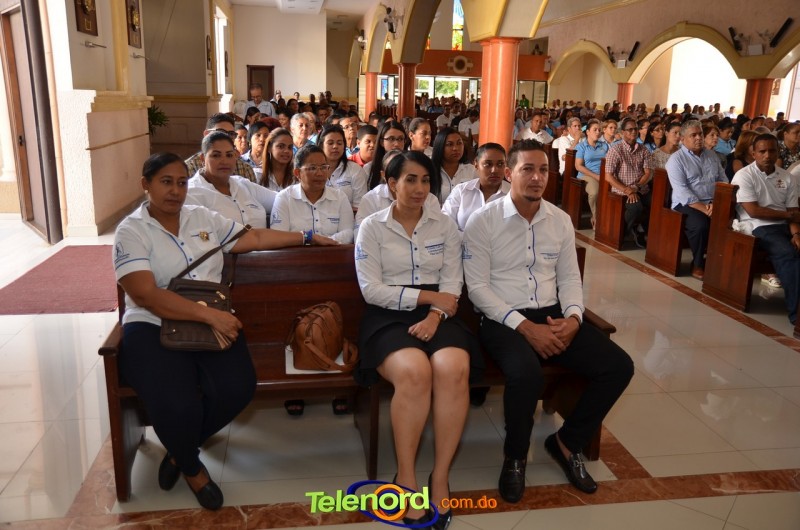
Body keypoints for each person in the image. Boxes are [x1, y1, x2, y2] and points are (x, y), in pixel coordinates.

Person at [113, 153, 336, 511]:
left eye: (181, 182)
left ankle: (179, 450)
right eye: (166, 182)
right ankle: (193, 470)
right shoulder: (131, 231)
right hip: (153, 324)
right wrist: (210, 317)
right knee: (178, 402)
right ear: (146, 185)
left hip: (210, 320)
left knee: (238, 388)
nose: (175, 191)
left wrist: (308, 236)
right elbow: (145, 294)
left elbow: (255, 236)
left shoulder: (202, 218)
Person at [462, 140, 633, 502]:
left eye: (543, 170)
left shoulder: (559, 220)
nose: (537, 178)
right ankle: (515, 456)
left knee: (618, 366)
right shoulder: (483, 221)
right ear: (509, 173)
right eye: (527, 169)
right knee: (526, 375)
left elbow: (569, 277)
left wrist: (574, 318)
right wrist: (525, 328)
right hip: (503, 318)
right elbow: (477, 288)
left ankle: (567, 442)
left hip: (553, 314)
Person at [354, 150, 481, 528]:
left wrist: (435, 314)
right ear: (391, 183)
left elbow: (452, 282)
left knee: (453, 367)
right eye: (410, 179)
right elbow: (371, 289)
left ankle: (440, 476)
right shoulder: (372, 227)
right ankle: (406, 478)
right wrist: (426, 298)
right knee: (414, 372)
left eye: (426, 180)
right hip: (387, 315)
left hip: (441, 313)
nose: (419, 188)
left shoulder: (444, 225)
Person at [731, 134, 800, 324]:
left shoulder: (787, 177)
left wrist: (796, 234)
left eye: (772, 151)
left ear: (778, 152)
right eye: (762, 151)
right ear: (753, 153)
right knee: (787, 254)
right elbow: (754, 211)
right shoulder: (744, 175)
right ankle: (796, 315)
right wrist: (788, 216)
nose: (767, 155)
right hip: (759, 226)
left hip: (785, 224)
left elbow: (793, 211)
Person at [665, 120, 728, 280]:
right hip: (686, 204)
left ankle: (722, 262)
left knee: (733, 221)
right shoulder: (676, 160)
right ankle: (698, 263)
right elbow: (682, 192)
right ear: (683, 139)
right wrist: (705, 209)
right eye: (693, 135)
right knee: (700, 225)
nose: (699, 138)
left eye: (700, 134)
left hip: (712, 202)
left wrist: (716, 203)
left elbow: (723, 180)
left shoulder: (712, 155)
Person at [185, 131, 276, 229]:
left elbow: (281, 199)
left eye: (229, 155)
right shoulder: (191, 193)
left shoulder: (242, 184)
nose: (224, 161)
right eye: (216, 155)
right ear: (203, 159)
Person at [271, 144, 354, 243]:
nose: (320, 173)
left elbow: (348, 232)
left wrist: (324, 242)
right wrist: (310, 239)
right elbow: (279, 236)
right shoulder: (284, 198)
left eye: (323, 167)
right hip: (296, 253)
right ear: (297, 173)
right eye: (312, 168)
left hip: (333, 251)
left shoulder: (339, 197)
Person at [604, 117, 653, 248]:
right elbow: (608, 177)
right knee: (636, 207)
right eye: (630, 129)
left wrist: (637, 187)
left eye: (635, 129)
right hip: (622, 190)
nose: (633, 132)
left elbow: (648, 173)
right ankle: (622, 233)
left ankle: (642, 230)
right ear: (623, 132)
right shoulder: (615, 150)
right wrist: (627, 190)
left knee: (658, 203)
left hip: (640, 188)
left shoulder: (643, 149)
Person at [442, 143, 510, 231]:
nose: (494, 170)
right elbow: (445, 225)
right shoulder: (461, 191)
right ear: (476, 164)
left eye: (500, 164)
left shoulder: (512, 194)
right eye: (488, 164)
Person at [185, 113, 257, 182]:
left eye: (231, 134)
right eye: (220, 132)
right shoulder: (188, 169)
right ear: (206, 134)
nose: (226, 138)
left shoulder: (245, 169)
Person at [318, 124, 368, 210]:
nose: (335, 146)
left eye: (339, 143)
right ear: (321, 145)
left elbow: (359, 207)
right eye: (330, 143)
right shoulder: (312, 171)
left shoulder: (355, 170)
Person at [574, 119, 609, 229]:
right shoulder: (581, 146)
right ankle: (595, 217)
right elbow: (578, 166)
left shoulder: (604, 146)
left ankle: (610, 218)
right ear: (588, 132)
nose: (598, 132)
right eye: (595, 130)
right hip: (587, 175)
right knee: (594, 192)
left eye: (599, 130)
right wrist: (596, 176)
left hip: (604, 174)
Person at [431, 127, 478, 204]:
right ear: (440, 147)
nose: (455, 148)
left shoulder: (472, 171)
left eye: (459, 143)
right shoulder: (431, 171)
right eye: (450, 144)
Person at [366, 120, 407, 190]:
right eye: (391, 139)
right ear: (382, 142)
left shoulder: (411, 166)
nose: (396, 144)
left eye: (400, 139)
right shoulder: (369, 168)